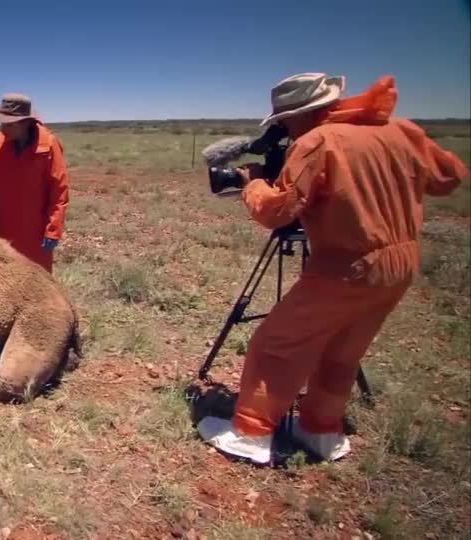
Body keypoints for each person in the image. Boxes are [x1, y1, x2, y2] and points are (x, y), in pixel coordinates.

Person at [197, 73, 468, 465]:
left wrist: (254, 184)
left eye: (284, 121)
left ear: (303, 113)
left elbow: (278, 211)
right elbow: (448, 176)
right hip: (401, 263)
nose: (284, 130)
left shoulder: (318, 142)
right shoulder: (401, 130)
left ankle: (251, 435)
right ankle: (321, 430)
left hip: (347, 263)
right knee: (343, 349)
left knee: (278, 345)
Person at [0, 93, 70, 273]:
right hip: (4, 229)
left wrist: (53, 230)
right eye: (1, 122)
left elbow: (59, 191)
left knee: (37, 281)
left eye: (8, 123)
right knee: (5, 277)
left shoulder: (48, 145)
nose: (2, 128)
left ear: (26, 123)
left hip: (36, 232)